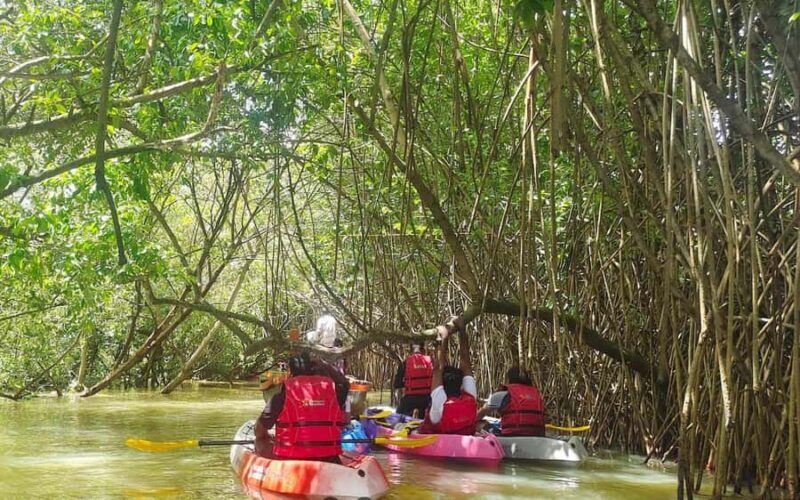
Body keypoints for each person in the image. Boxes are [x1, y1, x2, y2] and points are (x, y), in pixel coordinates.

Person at [254, 351, 349, 463]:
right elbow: (344, 383)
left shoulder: (280, 397)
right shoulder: (333, 393)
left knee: (260, 440)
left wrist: (267, 436)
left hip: (291, 459)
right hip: (329, 458)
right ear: (313, 368)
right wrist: (322, 363)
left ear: (291, 371)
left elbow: (259, 431)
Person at [418, 324, 478, 435]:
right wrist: (462, 329)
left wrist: (444, 337)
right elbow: (466, 362)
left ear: (442, 385)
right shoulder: (470, 397)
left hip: (442, 445)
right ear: (460, 385)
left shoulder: (440, 401)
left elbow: (438, 369)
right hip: (467, 442)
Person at [478, 366, 545, 436]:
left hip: (511, 437)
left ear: (509, 379)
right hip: (538, 437)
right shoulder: (537, 394)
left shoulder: (503, 394)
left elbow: (479, 415)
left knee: (479, 423)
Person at [392, 341, 433, 417]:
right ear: (423, 350)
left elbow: (396, 384)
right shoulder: (431, 361)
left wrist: (408, 384)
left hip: (409, 400)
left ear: (411, 350)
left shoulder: (405, 363)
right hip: (427, 399)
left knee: (397, 418)